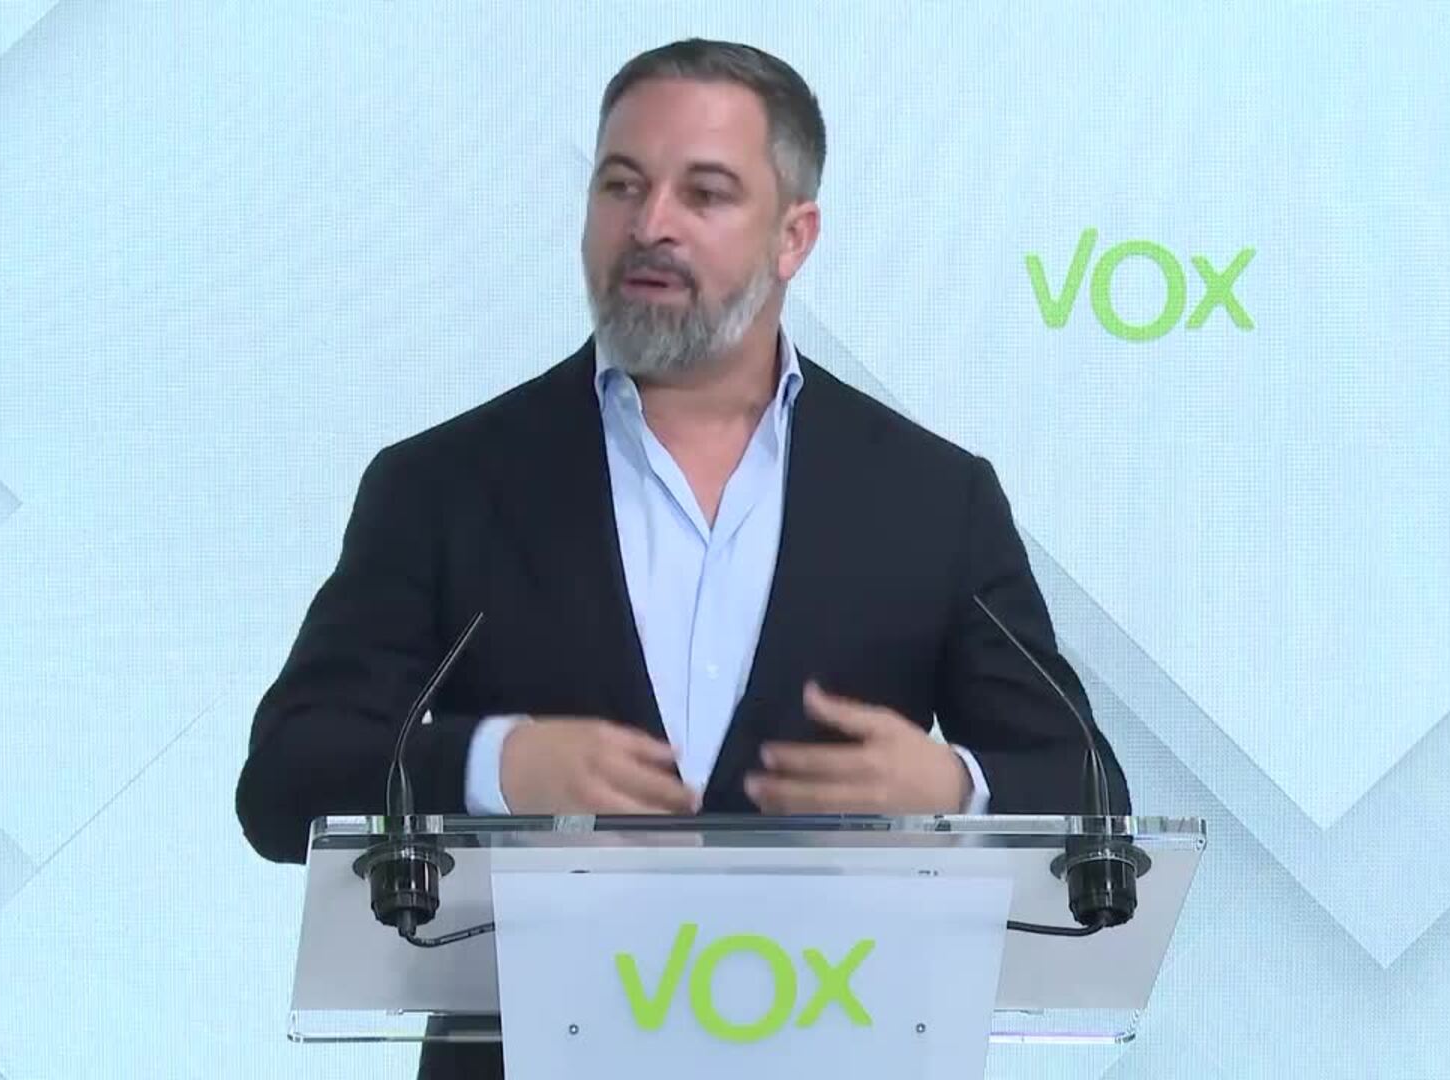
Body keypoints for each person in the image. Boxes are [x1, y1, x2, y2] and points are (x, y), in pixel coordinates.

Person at [235, 37, 1129, 1079]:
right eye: (621, 185)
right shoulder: (443, 484)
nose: (649, 223)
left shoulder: (932, 497)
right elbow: (286, 779)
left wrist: (952, 786)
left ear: (793, 237)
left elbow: (1091, 795)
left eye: (704, 194)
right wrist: (493, 767)